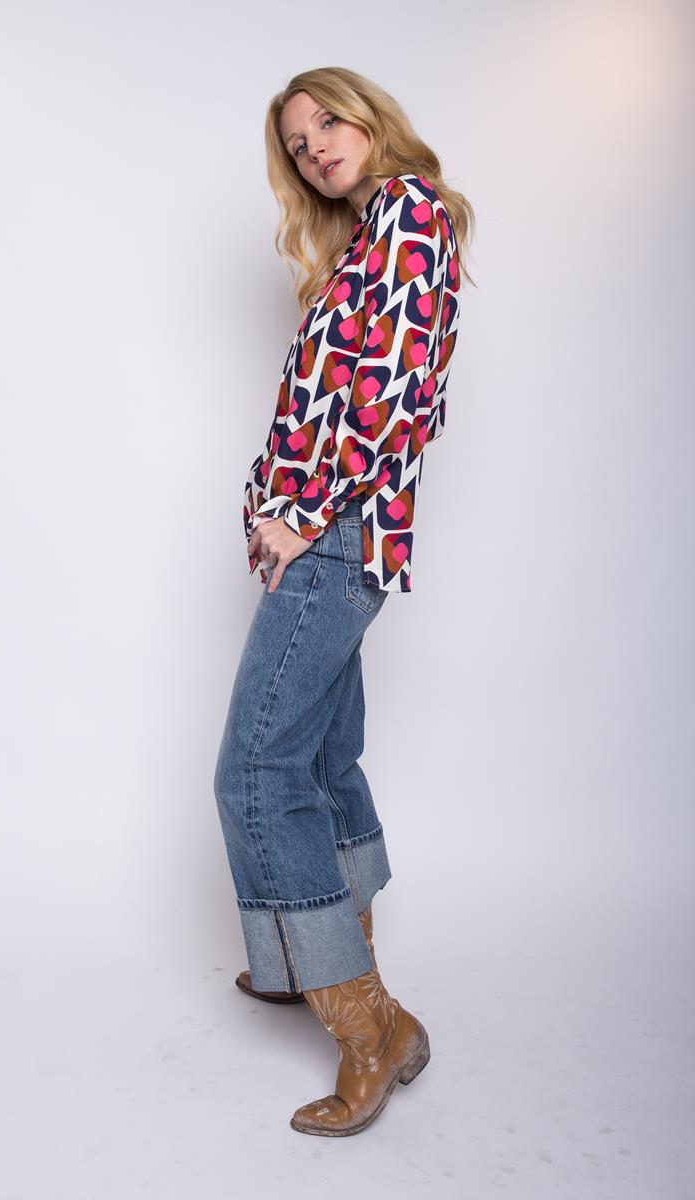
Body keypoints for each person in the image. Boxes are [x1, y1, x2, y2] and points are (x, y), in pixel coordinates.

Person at [213, 66, 475, 1137]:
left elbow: (395, 403)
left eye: (328, 120)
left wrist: (305, 513)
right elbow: (314, 403)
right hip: (321, 527)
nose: (316, 144)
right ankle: (316, 952)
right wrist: (263, 508)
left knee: (255, 771)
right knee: (319, 757)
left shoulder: (409, 214)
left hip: (339, 529)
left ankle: (369, 1027)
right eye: (297, 140)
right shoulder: (365, 241)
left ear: (369, 118)